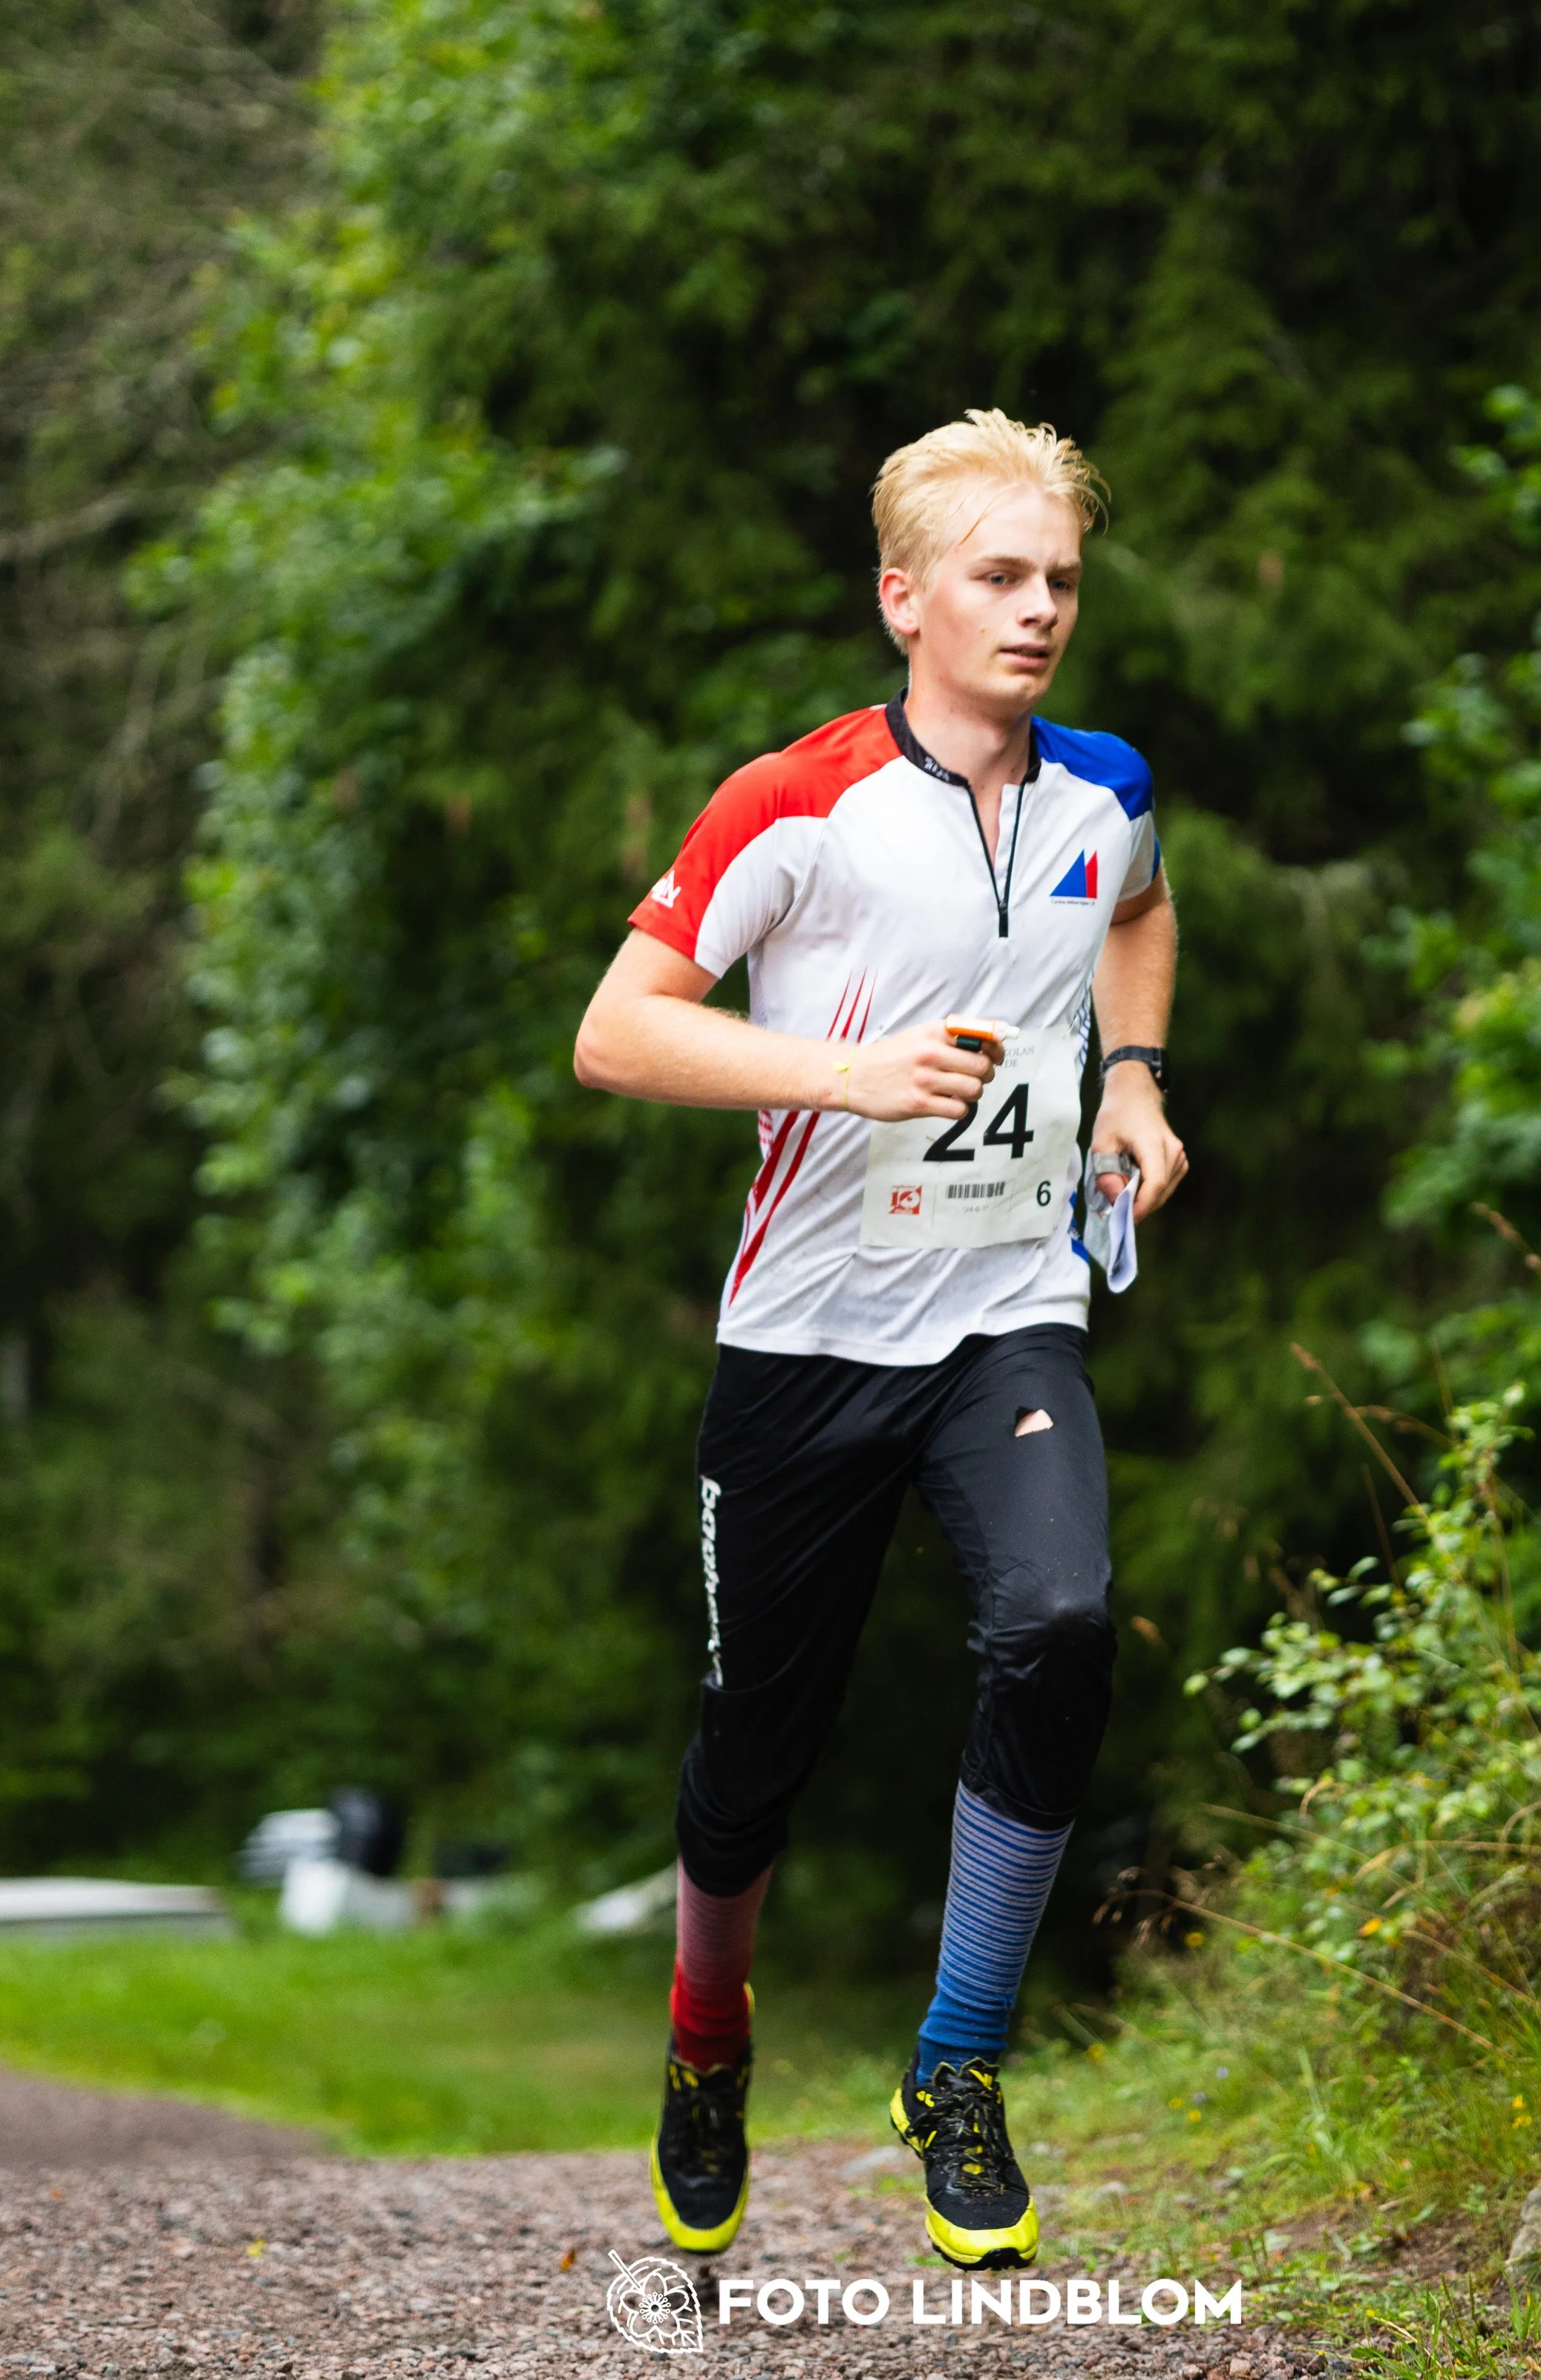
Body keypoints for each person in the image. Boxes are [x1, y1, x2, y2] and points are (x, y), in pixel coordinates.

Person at [573, 409, 1188, 2272]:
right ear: (901, 598)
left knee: (1062, 1620)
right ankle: (704, 2043)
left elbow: (1139, 918)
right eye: (1000, 579)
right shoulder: (795, 801)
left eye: (1061, 579)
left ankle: (957, 2064)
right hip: (805, 1341)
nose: (1039, 613)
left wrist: (1133, 1083)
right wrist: (837, 1073)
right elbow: (619, 1030)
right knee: (755, 1751)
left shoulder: (1103, 787)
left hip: (1007, 1316)